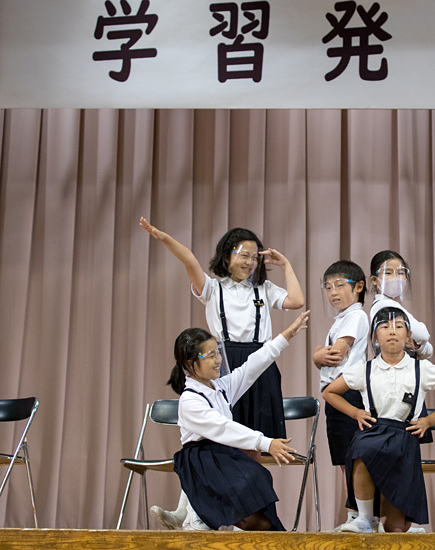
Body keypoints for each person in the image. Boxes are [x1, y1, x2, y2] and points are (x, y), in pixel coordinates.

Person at [140, 218, 305, 528]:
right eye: (244, 254)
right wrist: (163, 237)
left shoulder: (263, 288)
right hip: (224, 360)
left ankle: (230, 513)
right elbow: (189, 260)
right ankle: (193, 511)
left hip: (259, 364)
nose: (250, 261)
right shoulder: (212, 288)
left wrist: (286, 265)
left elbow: (297, 301)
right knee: (216, 439)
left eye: (255, 256)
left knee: (251, 446)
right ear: (227, 255)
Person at [322, 307, 435, 533]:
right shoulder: (365, 369)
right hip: (374, 431)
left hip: (403, 436)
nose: (392, 331)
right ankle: (364, 518)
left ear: (408, 337)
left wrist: (428, 421)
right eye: (384, 327)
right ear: (375, 337)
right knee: (360, 450)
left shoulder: (421, 368)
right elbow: (329, 392)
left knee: (395, 528)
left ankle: (394, 521)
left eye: (399, 326)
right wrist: (356, 412)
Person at [168, 310, 309, 531]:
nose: (218, 360)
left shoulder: (220, 387)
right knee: (252, 497)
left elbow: (253, 365)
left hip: (222, 455)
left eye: (217, 352)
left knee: (259, 484)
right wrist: (266, 443)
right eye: (210, 355)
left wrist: (287, 335)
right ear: (191, 364)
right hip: (202, 461)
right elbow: (223, 428)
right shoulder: (190, 401)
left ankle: (205, 517)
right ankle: (197, 516)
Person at [312, 260, 369, 529]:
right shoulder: (342, 319)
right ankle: (354, 513)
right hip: (334, 394)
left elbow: (335, 355)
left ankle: (362, 514)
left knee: (354, 457)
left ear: (359, 287)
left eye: (339, 285)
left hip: (348, 392)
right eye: (328, 287)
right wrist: (317, 357)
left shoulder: (356, 316)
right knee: (344, 458)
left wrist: (316, 354)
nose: (333, 292)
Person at [368, 250, 433, 360]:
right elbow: (423, 335)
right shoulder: (383, 305)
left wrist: (418, 346)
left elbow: (429, 351)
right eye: (388, 273)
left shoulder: (394, 305)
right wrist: (420, 342)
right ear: (374, 280)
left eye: (401, 273)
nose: (395, 277)